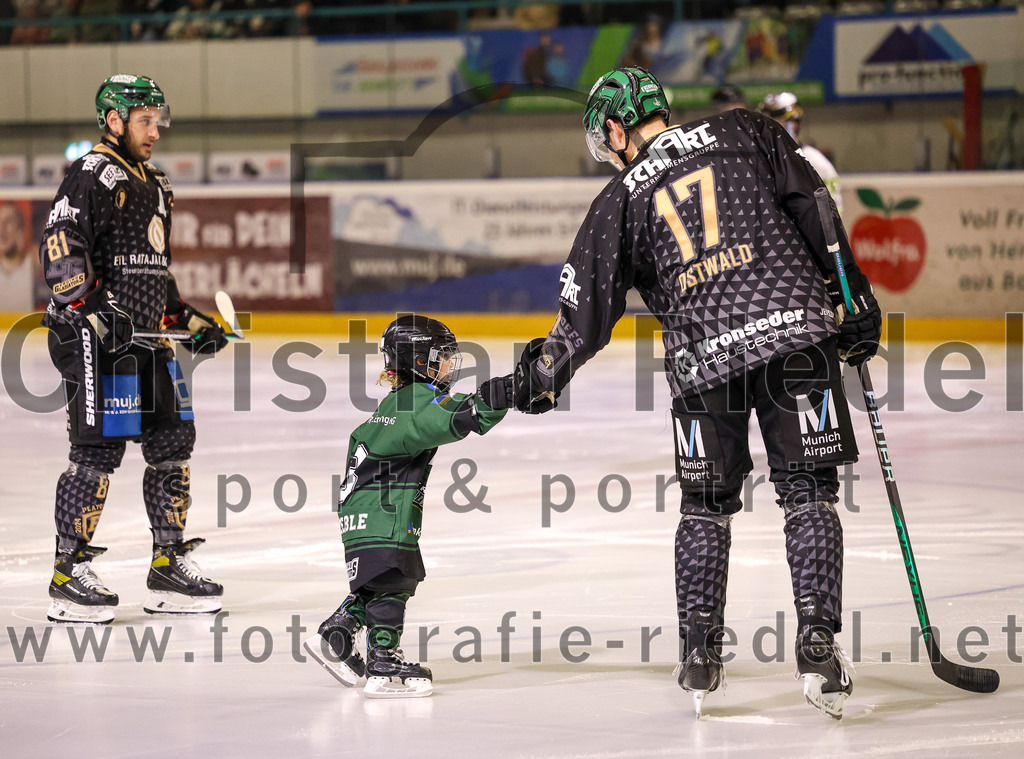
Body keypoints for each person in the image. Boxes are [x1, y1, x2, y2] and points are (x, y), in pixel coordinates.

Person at [514, 67, 881, 719]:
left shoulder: (619, 197)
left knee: (705, 507)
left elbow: (582, 318)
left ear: (619, 128)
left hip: (701, 356)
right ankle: (819, 644)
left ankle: (700, 654)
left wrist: (542, 376)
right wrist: (851, 294)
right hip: (793, 331)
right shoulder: (747, 129)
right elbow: (815, 206)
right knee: (809, 492)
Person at [40, 74, 228, 624]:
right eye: (144, 121)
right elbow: (59, 253)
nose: (155, 131)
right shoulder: (90, 174)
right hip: (93, 335)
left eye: (157, 120)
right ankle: (66, 574)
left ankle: (167, 564)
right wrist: (93, 307)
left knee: (174, 440)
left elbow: (154, 274)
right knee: (98, 451)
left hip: (144, 337)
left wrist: (190, 321)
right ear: (113, 121)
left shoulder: (157, 184)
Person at [304, 315, 513, 698]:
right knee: (394, 579)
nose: (450, 366)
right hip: (383, 511)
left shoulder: (396, 401)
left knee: (385, 576)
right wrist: (510, 391)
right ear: (417, 361)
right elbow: (461, 418)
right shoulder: (413, 401)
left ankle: (339, 630)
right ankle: (382, 658)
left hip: (364, 509)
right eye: (441, 357)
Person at [759, 91, 843, 215]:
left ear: (794, 125)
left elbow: (834, 211)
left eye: (777, 123)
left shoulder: (815, 162)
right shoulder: (761, 160)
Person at [0, 201, 34, 312]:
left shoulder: (35, 268)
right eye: (0, 222)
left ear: (21, 228)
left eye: (8, 221)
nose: (2, 229)